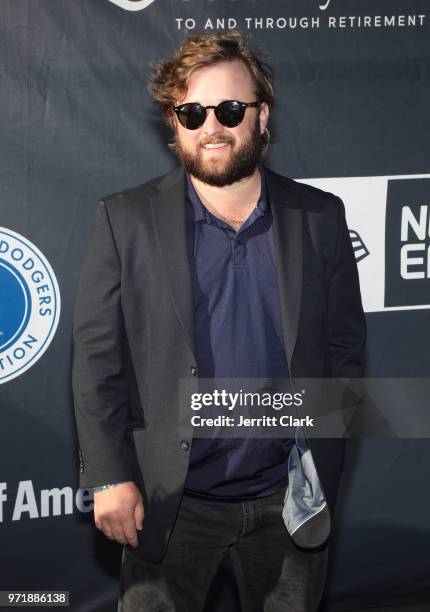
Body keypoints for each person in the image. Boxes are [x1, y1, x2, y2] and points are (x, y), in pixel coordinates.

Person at [72, 30, 366, 612]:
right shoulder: (123, 221)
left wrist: (321, 459)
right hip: (169, 502)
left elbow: (345, 349)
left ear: (263, 116)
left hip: (289, 502)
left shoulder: (319, 217)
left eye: (232, 109)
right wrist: (107, 476)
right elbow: (97, 361)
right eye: (193, 111)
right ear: (172, 121)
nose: (213, 126)